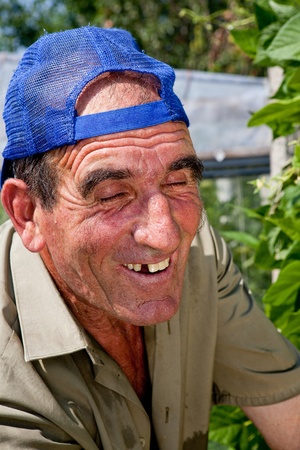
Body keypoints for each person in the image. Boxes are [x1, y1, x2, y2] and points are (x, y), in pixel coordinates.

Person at [0, 26, 299, 450]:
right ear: (27, 214)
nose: (165, 236)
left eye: (178, 182)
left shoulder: (198, 254)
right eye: (112, 195)